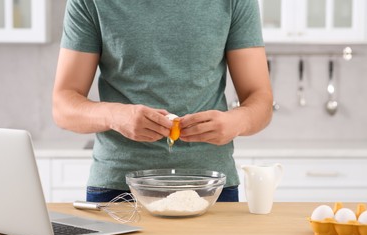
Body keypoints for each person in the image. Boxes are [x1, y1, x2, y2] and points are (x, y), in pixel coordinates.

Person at [52, 0, 273, 203]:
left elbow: (260, 100)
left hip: (211, 188)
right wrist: (115, 116)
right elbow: (63, 106)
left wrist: (235, 122)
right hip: (118, 188)